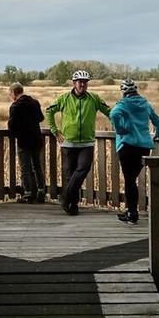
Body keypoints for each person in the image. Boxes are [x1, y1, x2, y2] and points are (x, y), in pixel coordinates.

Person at [45, 69, 110, 215]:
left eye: (85, 82)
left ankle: (65, 196)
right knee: (70, 175)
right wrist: (55, 131)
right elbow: (49, 111)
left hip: (86, 143)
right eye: (80, 82)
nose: (83, 85)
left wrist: (121, 122)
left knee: (83, 169)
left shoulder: (94, 98)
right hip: (69, 143)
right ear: (74, 83)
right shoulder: (64, 98)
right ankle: (72, 206)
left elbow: (110, 112)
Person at [109, 78, 159, 225]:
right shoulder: (145, 104)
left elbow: (113, 115)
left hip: (127, 146)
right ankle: (131, 211)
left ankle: (132, 213)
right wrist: (158, 133)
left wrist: (120, 129)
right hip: (144, 146)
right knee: (132, 179)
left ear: (123, 92)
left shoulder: (123, 104)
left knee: (129, 180)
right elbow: (157, 121)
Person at [7, 81, 45, 203]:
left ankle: (28, 193)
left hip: (24, 140)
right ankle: (41, 192)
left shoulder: (15, 106)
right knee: (37, 166)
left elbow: (11, 126)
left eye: (10, 93)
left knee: (25, 168)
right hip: (37, 139)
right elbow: (40, 118)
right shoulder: (35, 102)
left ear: (13, 93)